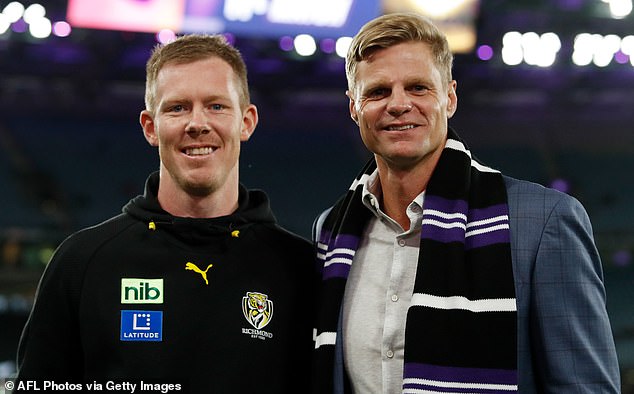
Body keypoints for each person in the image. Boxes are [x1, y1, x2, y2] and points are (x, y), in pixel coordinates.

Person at [311, 13, 621, 393]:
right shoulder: (332, 232)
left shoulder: (544, 222)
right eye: (377, 91)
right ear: (354, 107)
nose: (398, 104)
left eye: (418, 87)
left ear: (450, 97)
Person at [16, 34, 313, 393]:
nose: (197, 123)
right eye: (177, 108)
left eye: (217, 106)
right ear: (150, 127)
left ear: (247, 121)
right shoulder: (81, 262)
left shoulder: (302, 269)